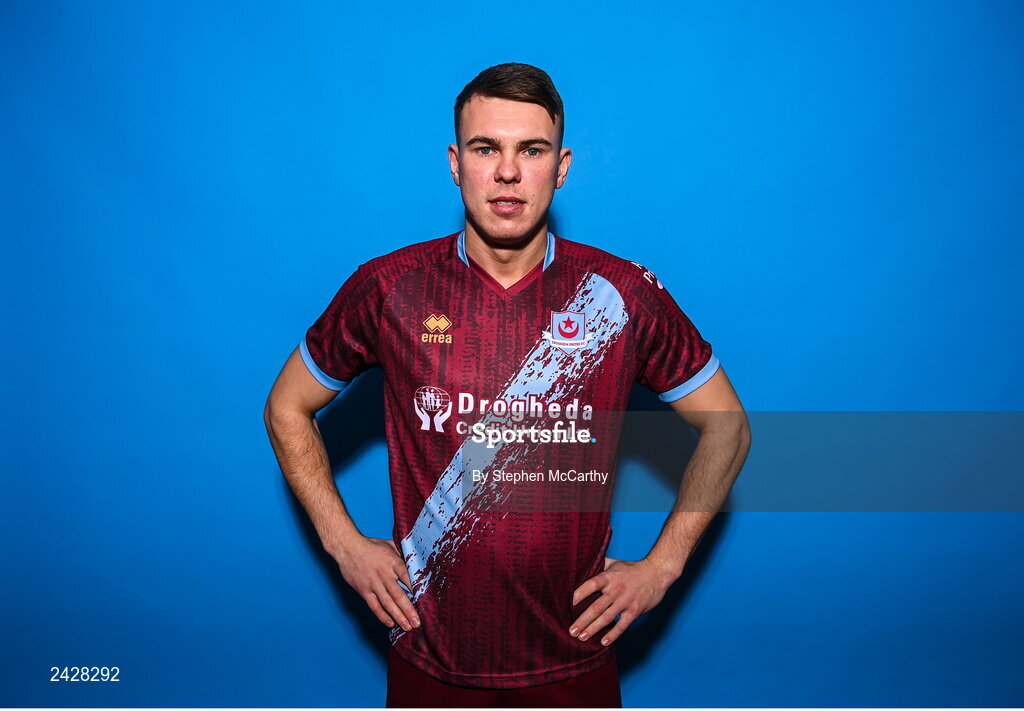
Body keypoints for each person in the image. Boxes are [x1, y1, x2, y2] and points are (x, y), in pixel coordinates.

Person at [264, 62, 751, 708]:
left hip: (572, 663)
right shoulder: (390, 288)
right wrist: (343, 542)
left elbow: (728, 425)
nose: (508, 172)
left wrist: (661, 566)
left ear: (563, 165)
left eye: (532, 149)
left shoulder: (619, 295)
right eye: (485, 148)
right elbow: (287, 405)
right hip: (430, 661)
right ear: (455, 162)